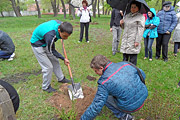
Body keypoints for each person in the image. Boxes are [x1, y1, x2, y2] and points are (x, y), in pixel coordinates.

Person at [81, 55, 148, 120]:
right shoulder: (125, 64)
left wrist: (83, 118)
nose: (95, 73)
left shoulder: (104, 82)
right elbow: (142, 75)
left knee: (105, 98)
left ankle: (124, 116)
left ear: (101, 68)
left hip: (131, 107)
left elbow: (96, 106)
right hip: (143, 96)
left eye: (96, 71)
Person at [30, 20, 73, 93]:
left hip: (46, 41)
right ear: (59, 30)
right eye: (65, 36)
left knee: (55, 61)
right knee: (48, 67)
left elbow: (58, 21)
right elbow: (52, 50)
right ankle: (46, 87)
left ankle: (61, 78)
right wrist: (63, 58)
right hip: (37, 44)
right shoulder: (50, 35)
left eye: (68, 36)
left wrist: (62, 37)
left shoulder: (61, 25)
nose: (66, 38)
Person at [120, 1, 145, 65]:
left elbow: (140, 30)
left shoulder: (141, 17)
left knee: (132, 59)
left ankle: (132, 72)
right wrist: (121, 24)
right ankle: (124, 71)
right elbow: (124, 27)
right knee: (124, 58)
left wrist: (137, 41)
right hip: (125, 39)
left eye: (134, 7)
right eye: (131, 7)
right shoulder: (127, 16)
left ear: (138, 8)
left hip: (133, 40)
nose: (132, 9)